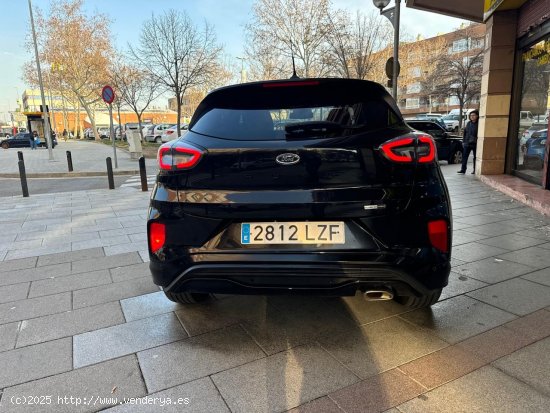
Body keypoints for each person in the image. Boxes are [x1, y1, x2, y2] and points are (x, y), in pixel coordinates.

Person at [457, 110, 479, 174]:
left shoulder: (479, 124)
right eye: (471, 115)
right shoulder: (468, 123)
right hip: (467, 143)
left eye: (473, 115)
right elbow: (465, 133)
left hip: (475, 143)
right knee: (464, 157)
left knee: (475, 157)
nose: (472, 117)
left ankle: (475, 170)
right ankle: (463, 170)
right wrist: (463, 141)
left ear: (477, 116)